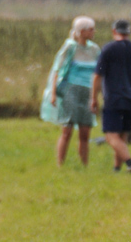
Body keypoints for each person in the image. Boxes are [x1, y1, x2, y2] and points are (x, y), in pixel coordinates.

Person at [90, 19, 131, 173]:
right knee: (123, 135)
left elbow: (98, 76)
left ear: (114, 31)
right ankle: (116, 169)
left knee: (111, 136)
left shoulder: (108, 49)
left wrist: (93, 98)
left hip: (113, 99)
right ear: (129, 32)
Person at [40, 16, 100, 167]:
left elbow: (98, 73)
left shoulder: (94, 49)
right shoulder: (70, 47)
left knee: (85, 131)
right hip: (71, 90)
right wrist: (53, 93)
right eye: (90, 29)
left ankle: (84, 164)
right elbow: (57, 69)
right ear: (82, 31)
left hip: (88, 92)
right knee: (67, 129)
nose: (94, 32)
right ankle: (61, 164)